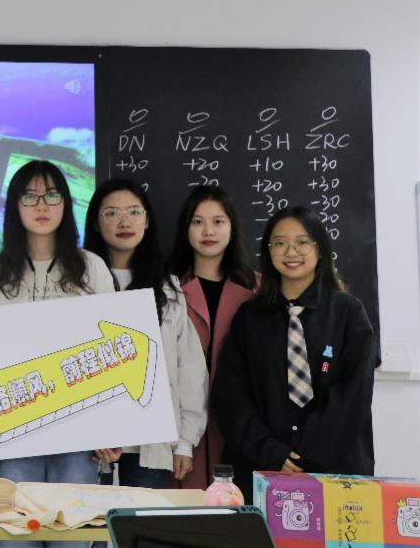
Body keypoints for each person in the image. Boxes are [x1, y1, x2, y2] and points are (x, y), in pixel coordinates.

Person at [0, 159, 114, 548]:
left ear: (66, 203)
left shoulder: (92, 268)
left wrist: (111, 428)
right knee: (17, 540)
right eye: (29, 196)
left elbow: (112, 352)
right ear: (14, 206)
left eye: (51, 195)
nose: (42, 205)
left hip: (78, 436)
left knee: (72, 539)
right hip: (14, 435)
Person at [213, 206, 375, 502]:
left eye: (302, 242)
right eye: (280, 243)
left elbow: (353, 395)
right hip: (261, 470)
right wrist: (271, 451)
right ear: (268, 251)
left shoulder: (348, 314)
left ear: (320, 249)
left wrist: (305, 451)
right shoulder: (249, 318)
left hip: (334, 471)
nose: (291, 252)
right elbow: (230, 396)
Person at [83, 179, 206, 490]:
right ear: (96, 223)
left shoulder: (167, 287)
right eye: (112, 213)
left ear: (147, 221)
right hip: (90, 444)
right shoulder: (78, 283)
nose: (124, 222)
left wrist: (185, 441)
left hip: (149, 446)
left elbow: (188, 366)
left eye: (134, 212)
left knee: (141, 519)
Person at [165, 185, 256, 490]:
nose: (208, 231)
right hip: (179, 433)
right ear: (185, 229)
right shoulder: (168, 288)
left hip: (239, 428)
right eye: (197, 222)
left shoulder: (256, 290)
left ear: (232, 227)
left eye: (218, 221)